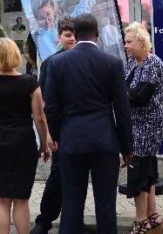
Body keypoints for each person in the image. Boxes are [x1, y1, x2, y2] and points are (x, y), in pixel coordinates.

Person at [44, 13, 133, 234]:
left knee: (72, 203)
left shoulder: (57, 63)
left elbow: (51, 107)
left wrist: (54, 137)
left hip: (71, 142)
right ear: (98, 35)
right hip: (105, 142)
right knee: (105, 204)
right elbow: (122, 109)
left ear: (75, 33)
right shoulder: (112, 63)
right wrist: (127, 148)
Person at [0, 37, 49, 234]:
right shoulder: (30, 83)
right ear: (16, 55)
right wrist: (43, 144)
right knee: (21, 198)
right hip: (23, 143)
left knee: (1, 198)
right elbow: (39, 117)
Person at [31, 17, 76, 234]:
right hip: (59, 131)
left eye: (75, 34)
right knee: (57, 177)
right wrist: (47, 134)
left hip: (81, 130)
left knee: (76, 179)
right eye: (68, 35)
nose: (72, 39)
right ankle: (44, 221)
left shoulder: (84, 60)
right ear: (59, 36)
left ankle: (71, 221)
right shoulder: (50, 63)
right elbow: (43, 104)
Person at [123, 22, 163, 234]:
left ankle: (140, 221)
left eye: (129, 42)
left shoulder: (152, 62)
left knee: (138, 170)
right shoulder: (132, 63)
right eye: (125, 42)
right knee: (148, 169)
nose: (126, 46)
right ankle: (152, 214)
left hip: (149, 125)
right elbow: (125, 89)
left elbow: (140, 97)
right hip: (136, 124)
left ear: (142, 42)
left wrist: (117, 94)